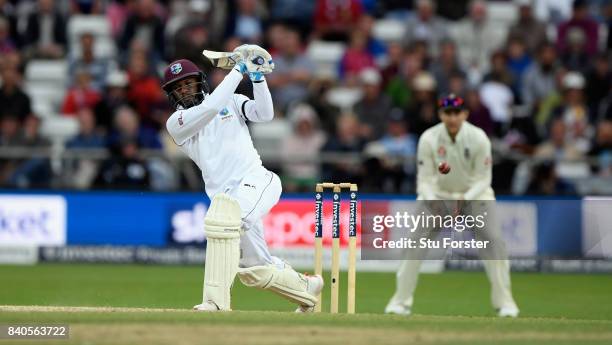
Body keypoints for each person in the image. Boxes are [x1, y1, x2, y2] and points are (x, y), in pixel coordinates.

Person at [162, 46, 323, 312]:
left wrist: (258, 78)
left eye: (188, 83)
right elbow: (211, 108)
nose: (184, 90)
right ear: (172, 95)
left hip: (258, 181)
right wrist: (240, 69)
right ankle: (307, 289)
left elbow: (265, 114)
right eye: (178, 88)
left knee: (225, 223)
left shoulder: (232, 101)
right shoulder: (177, 122)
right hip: (225, 197)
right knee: (254, 269)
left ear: (200, 81)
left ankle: (214, 302)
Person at [385, 94, 520, 318]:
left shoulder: (478, 138)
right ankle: (400, 302)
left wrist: (463, 200)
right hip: (438, 196)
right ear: (440, 114)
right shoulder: (429, 138)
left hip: (475, 197)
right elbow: (425, 180)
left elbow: (483, 179)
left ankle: (505, 303)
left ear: (465, 114)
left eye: (457, 113)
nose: (452, 118)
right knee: (413, 244)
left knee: (495, 245)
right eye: (447, 113)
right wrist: (433, 201)